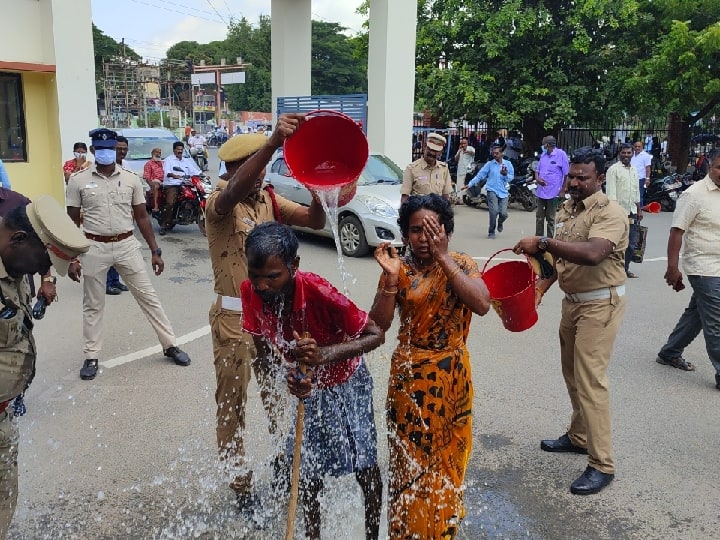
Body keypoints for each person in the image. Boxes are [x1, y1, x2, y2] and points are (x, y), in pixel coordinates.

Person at [204, 117, 325, 509]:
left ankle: (283, 463)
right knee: (232, 404)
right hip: (234, 321)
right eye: (256, 165)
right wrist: (273, 142)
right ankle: (239, 486)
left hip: (271, 322)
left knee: (279, 397)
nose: (261, 175)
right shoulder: (218, 201)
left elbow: (314, 220)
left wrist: (319, 191)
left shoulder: (267, 198)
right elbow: (235, 191)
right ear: (236, 168)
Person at [240, 222, 383, 539]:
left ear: (294, 267)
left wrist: (325, 354)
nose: (262, 285)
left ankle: (373, 535)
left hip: (347, 381)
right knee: (305, 468)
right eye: (255, 274)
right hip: (309, 389)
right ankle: (312, 535)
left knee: (364, 462)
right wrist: (290, 376)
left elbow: (375, 335)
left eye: (272, 276)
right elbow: (263, 353)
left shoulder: (318, 291)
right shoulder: (250, 292)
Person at [368, 194, 491, 538]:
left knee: (447, 461)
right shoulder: (399, 269)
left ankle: (441, 528)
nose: (424, 238)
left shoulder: (461, 264)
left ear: (447, 232)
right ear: (405, 235)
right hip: (410, 382)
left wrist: (443, 258)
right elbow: (377, 326)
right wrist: (390, 280)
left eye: (433, 230)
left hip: (452, 380)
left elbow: (481, 304)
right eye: (416, 230)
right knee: (410, 466)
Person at [514, 147, 628, 496]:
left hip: (600, 304)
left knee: (591, 380)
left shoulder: (611, 213)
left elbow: (593, 254)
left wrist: (544, 241)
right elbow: (562, 260)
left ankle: (602, 464)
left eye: (583, 177)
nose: (575, 182)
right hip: (573, 303)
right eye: (572, 176)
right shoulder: (569, 209)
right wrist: (541, 288)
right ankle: (579, 437)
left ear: (600, 178)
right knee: (572, 373)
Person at [66, 128, 191, 381]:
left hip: (126, 246)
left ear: (116, 150)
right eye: (100, 150)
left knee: (149, 297)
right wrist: (72, 257)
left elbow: (142, 217)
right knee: (93, 305)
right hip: (93, 247)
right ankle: (91, 356)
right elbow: (71, 222)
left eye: (109, 149)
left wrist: (155, 250)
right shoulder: (77, 181)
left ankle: (170, 345)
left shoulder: (131, 179)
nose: (105, 154)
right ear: (92, 151)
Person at [0, 195, 89, 538]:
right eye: (42, 262)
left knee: (5, 498)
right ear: (19, 240)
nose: (42, 271)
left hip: (4, 413)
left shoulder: (13, 261)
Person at [655, 149, 720, 385]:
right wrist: (672, 268)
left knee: (698, 314)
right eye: (719, 168)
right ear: (708, 166)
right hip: (703, 267)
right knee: (716, 320)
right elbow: (676, 232)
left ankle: (670, 352)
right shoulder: (694, 195)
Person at [605, 143, 642, 278]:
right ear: (619, 154)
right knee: (617, 243)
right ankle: (612, 269)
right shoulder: (613, 170)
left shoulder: (634, 170)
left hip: (632, 211)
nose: (626, 155)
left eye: (629, 153)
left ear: (632, 154)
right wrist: (614, 212)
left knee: (631, 243)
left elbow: (636, 191)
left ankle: (624, 269)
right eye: (624, 153)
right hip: (618, 213)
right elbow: (611, 194)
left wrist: (639, 209)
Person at [465, 144, 514, 238]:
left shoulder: (508, 164)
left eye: (497, 153)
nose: (495, 155)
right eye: (493, 153)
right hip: (491, 190)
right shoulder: (489, 164)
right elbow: (480, 176)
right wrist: (469, 184)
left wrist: (505, 174)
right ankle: (491, 231)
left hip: (503, 192)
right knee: (494, 211)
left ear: (501, 153)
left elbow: (511, 178)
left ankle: (500, 222)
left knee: (503, 214)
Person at [160, 141, 201, 235]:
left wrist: (202, 174)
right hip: (172, 184)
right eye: (178, 149)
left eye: (181, 150)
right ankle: (163, 225)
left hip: (184, 183)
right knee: (170, 203)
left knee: (196, 195)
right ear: (174, 150)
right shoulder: (169, 160)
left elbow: (193, 171)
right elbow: (167, 172)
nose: (180, 151)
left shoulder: (186, 160)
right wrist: (174, 175)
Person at [401, 133, 452, 205]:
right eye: (430, 149)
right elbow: (405, 196)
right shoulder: (411, 168)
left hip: (436, 213)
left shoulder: (444, 169)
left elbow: (446, 196)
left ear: (440, 152)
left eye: (436, 151)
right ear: (425, 147)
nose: (432, 153)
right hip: (419, 213)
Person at [535, 135, 569, 238]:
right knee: (539, 216)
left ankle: (549, 240)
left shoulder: (561, 155)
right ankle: (538, 237)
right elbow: (537, 170)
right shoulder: (543, 155)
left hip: (553, 192)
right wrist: (537, 179)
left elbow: (566, 173)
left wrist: (563, 190)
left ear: (547, 145)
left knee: (551, 217)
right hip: (541, 191)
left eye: (543, 143)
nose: (542, 145)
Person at [142, 147, 164, 214]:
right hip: (155, 181)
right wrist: (151, 184)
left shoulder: (163, 163)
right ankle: (155, 206)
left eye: (159, 153)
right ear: (152, 153)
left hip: (166, 181)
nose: (158, 154)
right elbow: (147, 177)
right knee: (156, 186)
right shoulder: (149, 164)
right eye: (156, 152)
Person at [631, 140, 652, 206]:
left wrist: (647, 178)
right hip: (630, 178)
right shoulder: (631, 154)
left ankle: (639, 211)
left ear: (642, 147)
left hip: (640, 178)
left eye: (639, 146)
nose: (637, 148)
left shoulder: (646, 156)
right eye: (636, 146)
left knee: (639, 195)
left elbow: (648, 168)